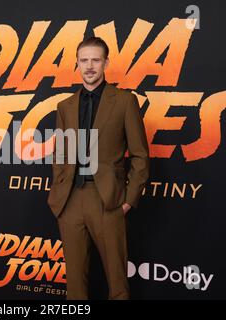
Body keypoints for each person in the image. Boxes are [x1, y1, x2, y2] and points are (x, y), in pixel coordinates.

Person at [47, 36, 150, 300]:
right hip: (69, 201)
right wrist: (59, 192)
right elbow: (60, 153)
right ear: (77, 64)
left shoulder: (125, 101)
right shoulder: (65, 106)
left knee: (117, 284)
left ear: (106, 62)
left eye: (95, 60)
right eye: (84, 60)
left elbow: (140, 156)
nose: (89, 66)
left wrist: (128, 200)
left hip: (107, 201)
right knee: (74, 287)